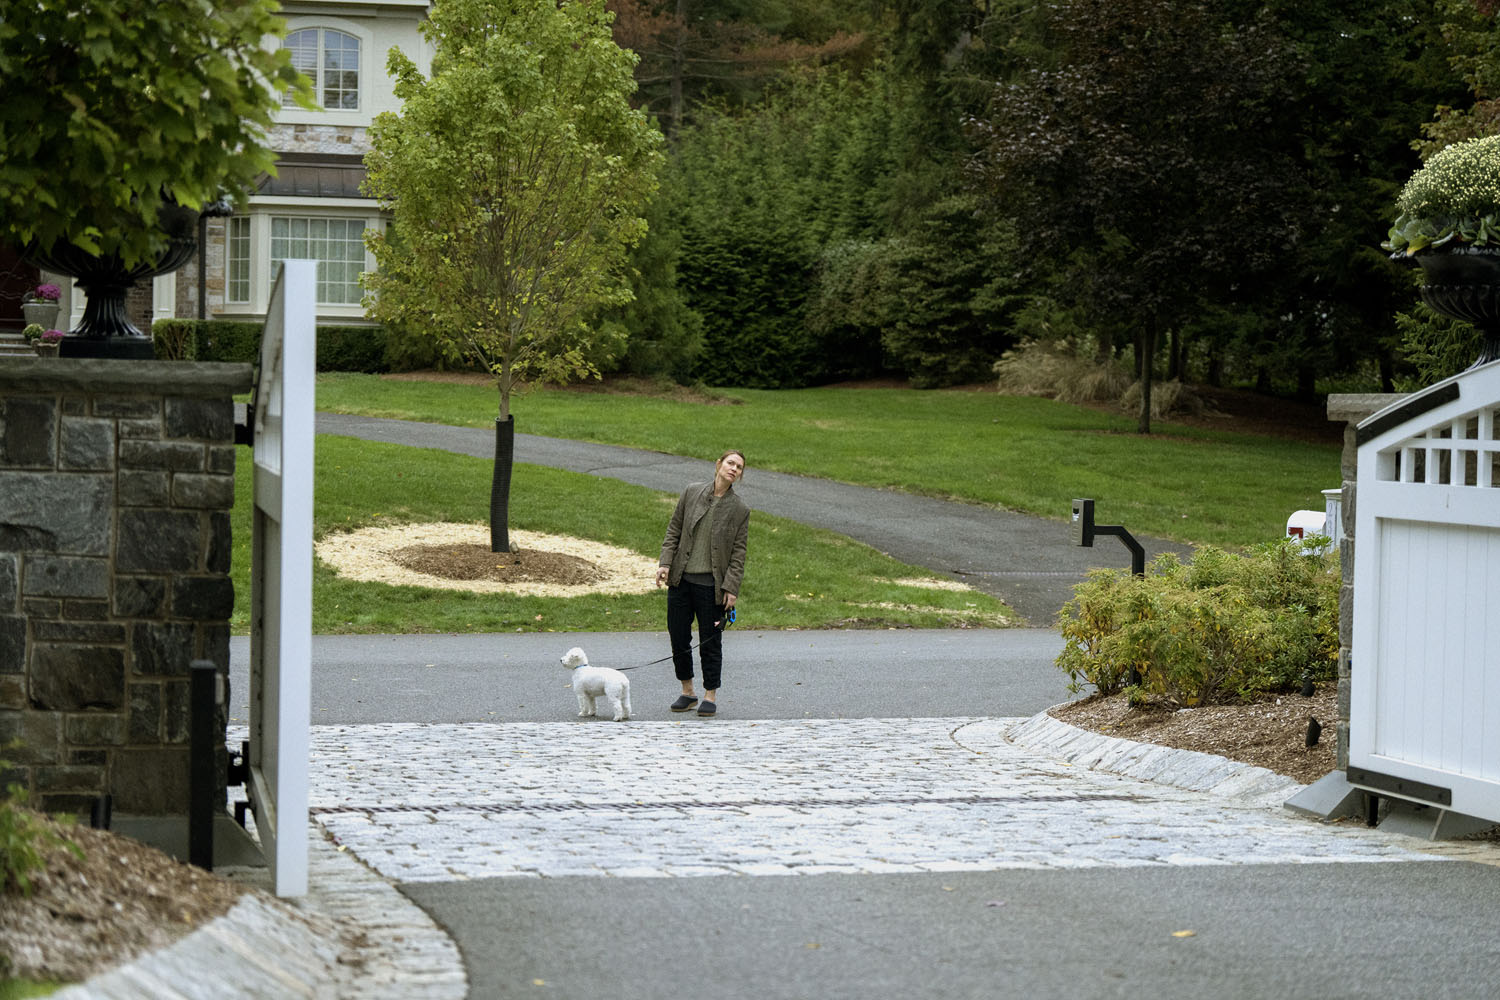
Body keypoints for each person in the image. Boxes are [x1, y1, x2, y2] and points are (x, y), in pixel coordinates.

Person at [655, 449, 749, 717]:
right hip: (681, 580)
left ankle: (710, 695)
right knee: (679, 637)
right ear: (718, 464)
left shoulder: (740, 509)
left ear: (740, 475)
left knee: (710, 642)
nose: (734, 469)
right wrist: (665, 562)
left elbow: (739, 553)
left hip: (711, 587)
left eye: (739, 467)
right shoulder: (692, 492)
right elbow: (674, 529)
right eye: (730, 463)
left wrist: (731, 588)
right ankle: (688, 692)